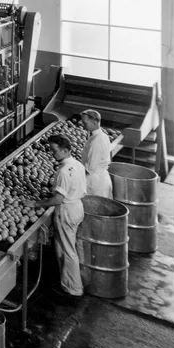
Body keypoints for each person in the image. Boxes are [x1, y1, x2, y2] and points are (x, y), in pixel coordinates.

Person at [25, 135, 87, 299]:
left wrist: (36, 204)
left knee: (68, 251)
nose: (52, 154)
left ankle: (74, 289)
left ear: (66, 150)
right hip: (77, 207)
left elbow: (58, 199)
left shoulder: (64, 171)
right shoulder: (78, 164)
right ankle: (67, 282)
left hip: (66, 210)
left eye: (55, 150)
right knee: (64, 246)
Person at [80, 109, 112, 198]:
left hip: (94, 183)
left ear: (94, 123)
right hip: (102, 178)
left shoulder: (96, 142)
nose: (82, 125)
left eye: (85, 123)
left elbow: (91, 168)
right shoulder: (103, 136)